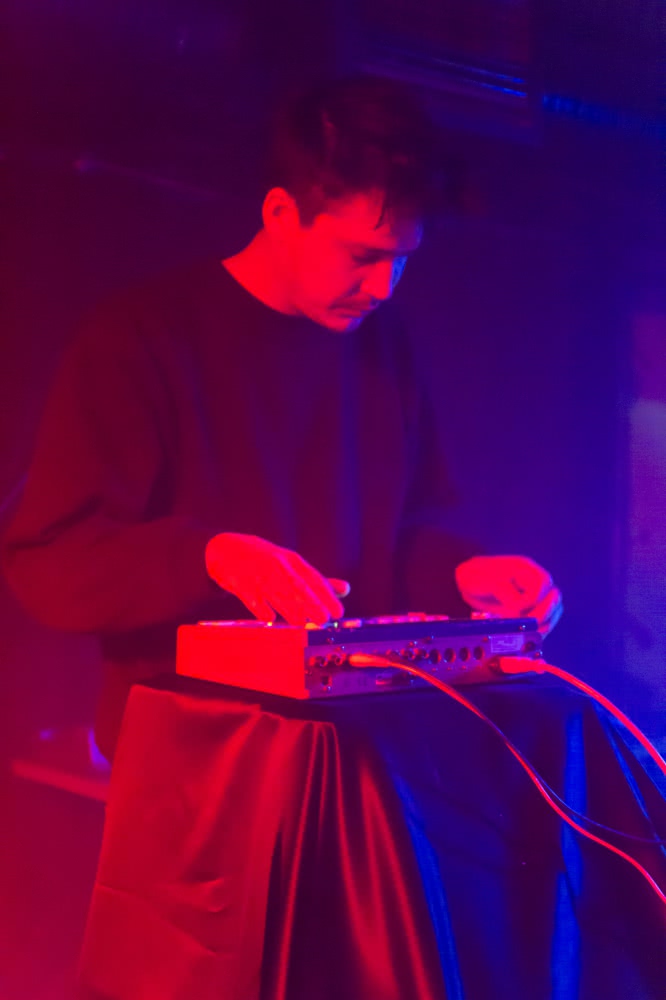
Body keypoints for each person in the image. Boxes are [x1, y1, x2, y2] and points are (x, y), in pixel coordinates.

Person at [1, 75, 562, 762]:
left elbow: (394, 542)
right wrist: (212, 558)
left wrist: (465, 573)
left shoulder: (384, 348)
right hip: (195, 766)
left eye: (401, 260)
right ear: (279, 212)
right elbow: (50, 558)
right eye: (362, 255)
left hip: (358, 751)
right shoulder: (139, 338)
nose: (383, 288)